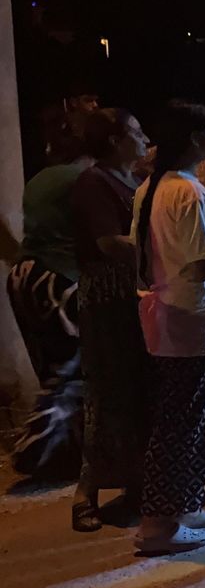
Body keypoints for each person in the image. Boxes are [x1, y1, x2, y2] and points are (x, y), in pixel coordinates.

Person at [131, 101, 205, 555]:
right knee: (182, 426)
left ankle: (185, 507)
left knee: (192, 420)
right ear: (196, 139)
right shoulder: (188, 192)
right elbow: (202, 266)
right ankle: (158, 525)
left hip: (177, 319)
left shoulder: (152, 187)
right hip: (194, 322)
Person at [67, 109, 150, 532]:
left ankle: (137, 484)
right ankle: (86, 494)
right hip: (106, 302)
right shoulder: (93, 182)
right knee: (105, 394)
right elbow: (108, 243)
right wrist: (164, 247)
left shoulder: (132, 181)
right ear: (115, 140)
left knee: (138, 393)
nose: (145, 138)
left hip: (132, 299)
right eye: (137, 131)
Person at [7, 129, 93, 391]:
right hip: (60, 276)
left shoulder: (39, 179)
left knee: (52, 376)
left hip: (25, 274)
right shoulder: (83, 178)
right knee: (73, 378)